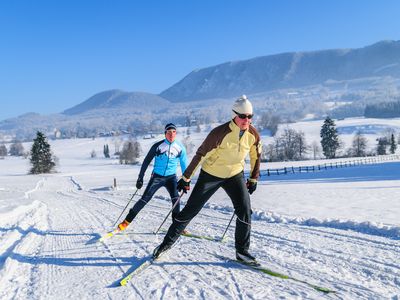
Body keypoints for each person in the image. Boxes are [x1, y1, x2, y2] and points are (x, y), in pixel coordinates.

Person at [153, 95, 262, 264]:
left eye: (249, 116)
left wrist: (254, 178)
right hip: (211, 174)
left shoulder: (252, 134)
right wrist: (186, 177)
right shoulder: (219, 133)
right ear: (234, 115)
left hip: (235, 174)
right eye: (242, 116)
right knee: (191, 210)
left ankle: (242, 252)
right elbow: (200, 155)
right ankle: (164, 245)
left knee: (245, 210)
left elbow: (256, 156)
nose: (246, 120)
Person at [116, 123, 188, 232]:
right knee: (145, 199)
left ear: (176, 133)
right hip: (157, 177)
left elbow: (184, 165)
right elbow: (146, 162)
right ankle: (126, 222)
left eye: (173, 132)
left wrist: (186, 180)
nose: (171, 134)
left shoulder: (180, 147)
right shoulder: (157, 146)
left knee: (176, 200)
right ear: (165, 134)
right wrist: (140, 178)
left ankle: (176, 227)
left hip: (171, 178)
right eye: (169, 132)